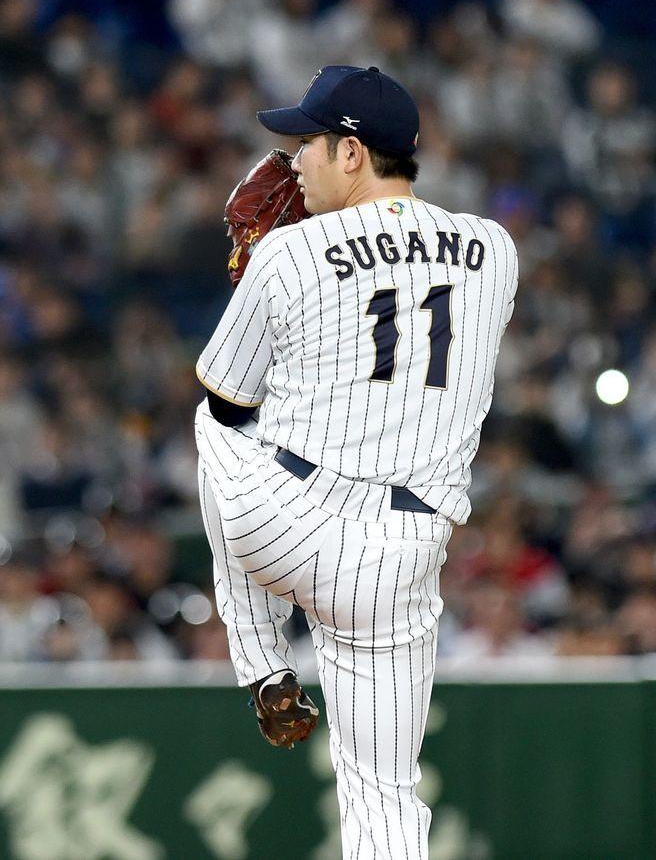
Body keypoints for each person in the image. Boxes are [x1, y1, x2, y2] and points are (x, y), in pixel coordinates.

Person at [194, 65, 518, 857]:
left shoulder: (290, 254)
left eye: (306, 143)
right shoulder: (496, 248)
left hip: (287, 521)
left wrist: (253, 276)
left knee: (217, 428)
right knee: (383, 794)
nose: (291, 162)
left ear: (350, 153)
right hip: (399, 561)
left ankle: (264, 665)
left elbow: (231, 401)